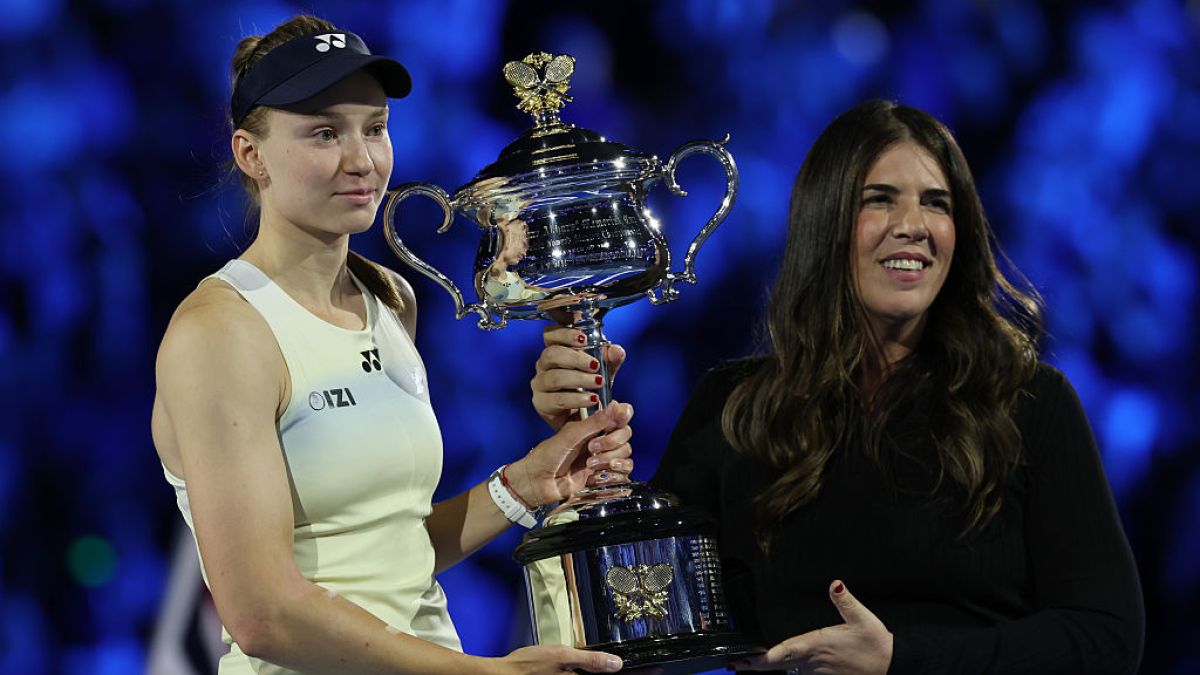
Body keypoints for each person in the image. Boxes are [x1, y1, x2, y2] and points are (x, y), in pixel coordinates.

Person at [531, 99, 1144, 674]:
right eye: (880, 200)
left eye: (937, 203)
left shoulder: (1028, 404)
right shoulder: (736, 410)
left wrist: (902, 660)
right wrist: (583, 464)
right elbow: (641, 624)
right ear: (826, 222)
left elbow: (1106, 635)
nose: (913, 226)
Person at [151, 15, 636, 675]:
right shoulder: (220, 331)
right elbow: (262, 613)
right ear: (250, 154)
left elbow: (391, 553)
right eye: (325, 133)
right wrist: (485, 673)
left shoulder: (389, 298)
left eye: (375, 128)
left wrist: (525, 483)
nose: (362, 160)